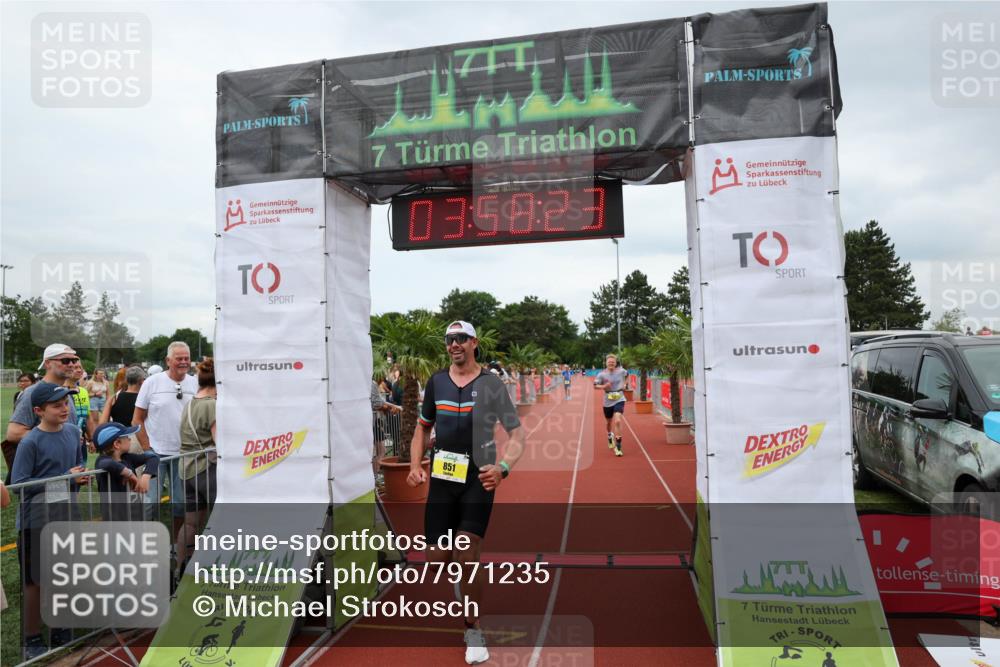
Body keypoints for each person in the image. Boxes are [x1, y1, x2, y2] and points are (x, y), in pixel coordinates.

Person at [406, 321, 526, 665]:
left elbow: (517, 437)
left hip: (479, 476)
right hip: (444, 477)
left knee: (468, 551)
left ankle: (472, 628)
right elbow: (421, 429)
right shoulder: (436, 382)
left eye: (460, 339)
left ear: (474, 343)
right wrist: (415, 465)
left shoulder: (491, 384)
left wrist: (502, 469)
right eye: (449, 340)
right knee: (436, 560)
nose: (454, 344)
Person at [10, 382, 88, 659]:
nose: (64, 409)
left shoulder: (73, 432)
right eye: (57, 405)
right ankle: (31, 638)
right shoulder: (30, 441)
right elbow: (20, 485)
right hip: (36, 520)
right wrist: (66, 481)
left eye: (66, 403)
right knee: (35, 583)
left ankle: (59, 628)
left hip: (67, 516)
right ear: (38, 411)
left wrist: (78, 478)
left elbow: (76, 468)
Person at [133, 342, 197, 530]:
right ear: (168, 360)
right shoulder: (152, 383)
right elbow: (137, 419)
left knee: (180, 504)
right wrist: (147, 450)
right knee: (151, 502)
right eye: (179, 358)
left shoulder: (195, 383)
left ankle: (176, 545)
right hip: (156, 454)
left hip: (184, 454)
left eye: (187, 358)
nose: (184, 362)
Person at [177, 358, 217, 572]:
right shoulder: (211, 405)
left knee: (191, 523)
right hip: (206, 471)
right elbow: (220, 443)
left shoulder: (191, 402)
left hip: (186, 470)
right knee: (221, 518)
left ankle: (181, 568)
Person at [93, 421, 158, 522]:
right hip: (114, 517)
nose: (130, 439)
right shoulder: (101, 460)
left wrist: (146, 476)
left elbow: (153, 457)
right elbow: (108, 464)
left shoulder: (128, 458)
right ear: (117, 444)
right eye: (126, 437)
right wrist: (130, 474)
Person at [595, 354, 627, 457]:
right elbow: (595, 386)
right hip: (608, 400)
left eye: (613, 362)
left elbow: (627, 375)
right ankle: (609, 435)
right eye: (609, 362)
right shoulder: (601, 375)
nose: (611, 363)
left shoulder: (621, 371)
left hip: (619, 398)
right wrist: (604, 386)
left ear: (615, 363)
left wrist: (625, 384)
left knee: (617, 420)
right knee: (609, 422)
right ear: (606, 363)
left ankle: (618, 447)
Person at [102, 365, 146, 430]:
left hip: (118, 435)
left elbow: (103, 423)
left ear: (126, 380)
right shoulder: (144, 399)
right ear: (141, 381)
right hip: (136, 435)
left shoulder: (114, 398)